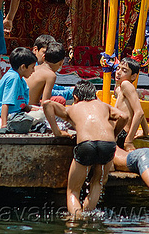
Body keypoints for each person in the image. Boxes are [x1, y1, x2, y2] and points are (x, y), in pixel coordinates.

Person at [42, 80, 128, 218]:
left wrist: (57, 131)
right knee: (97, 182)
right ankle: (88, 215)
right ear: (94, 95)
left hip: (86, 144)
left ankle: (76, 220)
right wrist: (114, 134)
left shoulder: (72, 108)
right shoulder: (104, 106)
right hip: (108, 145)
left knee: (73, 191)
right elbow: (124, 116)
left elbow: (46, 104)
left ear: (76, 97)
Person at [0, 47, 40, 128]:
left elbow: (20, 101)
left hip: (15, 113)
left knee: (40, 111)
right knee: (41, 116)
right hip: (5, 116)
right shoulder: (13, 78)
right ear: (23, 67)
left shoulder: (19, 78)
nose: (33, 71)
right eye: (32, 67)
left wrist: (29, 108)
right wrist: (4, 125)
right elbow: (6, 103)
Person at [114, 57, 149, 151]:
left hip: (122, 133)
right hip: (120, 132)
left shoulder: (126, 84)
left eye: (124, 70)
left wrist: (128, 141)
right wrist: (145, 131)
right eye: (118, 68)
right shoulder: (120, 89)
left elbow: (139, 113)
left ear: (133, 76)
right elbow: (138, 109)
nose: (118, 72)